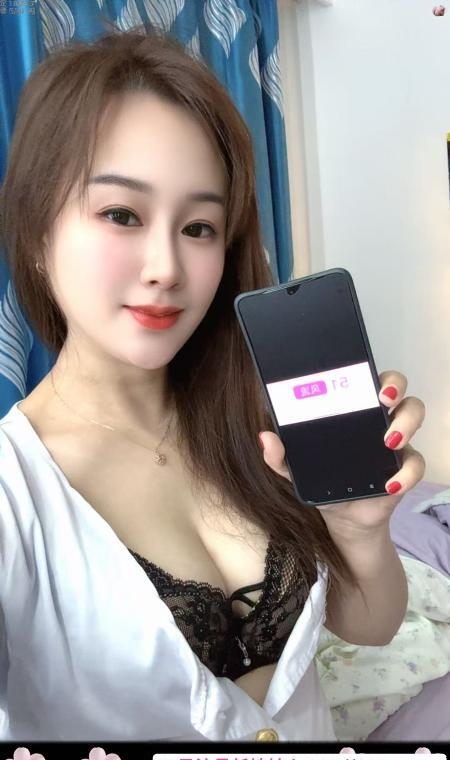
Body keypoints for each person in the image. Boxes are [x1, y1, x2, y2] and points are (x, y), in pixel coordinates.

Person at [0, 24, 425, 742]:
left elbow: (370, 626)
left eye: (199, 227)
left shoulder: (256, 419)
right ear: (39, 235)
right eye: (121, 215)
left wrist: (362, 533)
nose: (166, 267)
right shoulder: (15, 492)